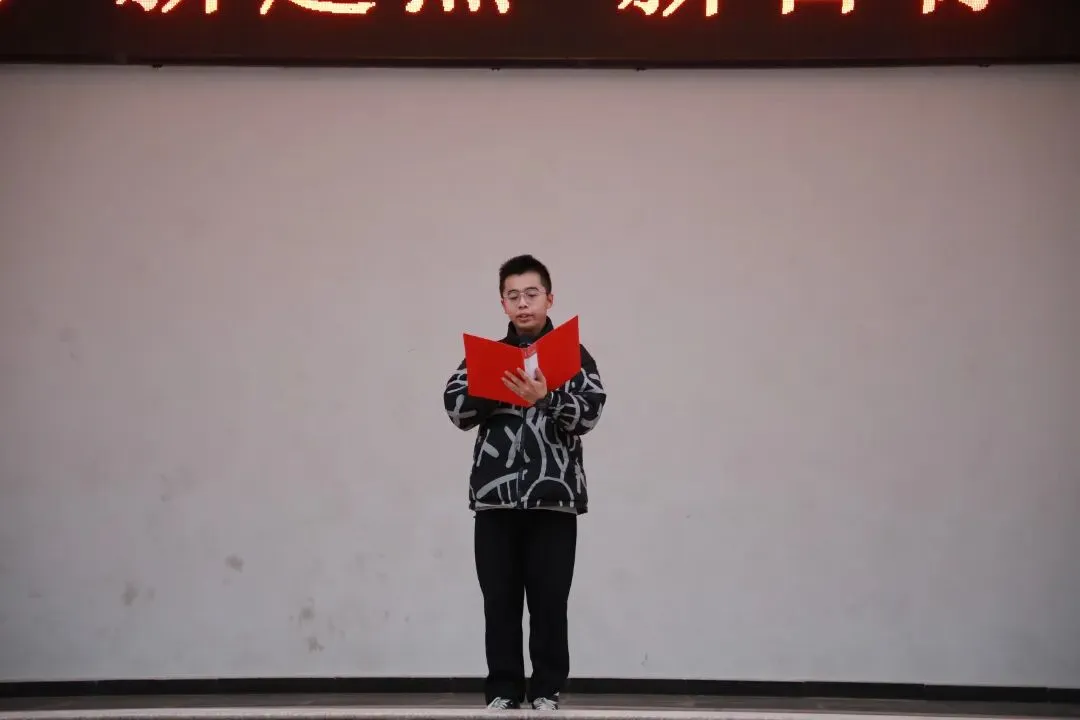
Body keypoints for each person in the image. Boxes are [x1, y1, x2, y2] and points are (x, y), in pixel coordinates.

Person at [443, 254, 606, 711]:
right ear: (503, 304)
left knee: (550, 601)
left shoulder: (573, 354)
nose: (522, 303)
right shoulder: (486, 357)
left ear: (549, 298)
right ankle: (503, 691)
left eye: (531, 294)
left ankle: (547, 690)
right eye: (512, 296)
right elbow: (456, 409)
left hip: (554, 499)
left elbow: (590, 413)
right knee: (499, 601)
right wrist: (495, 385)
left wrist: (545, 397)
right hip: (495, 501)